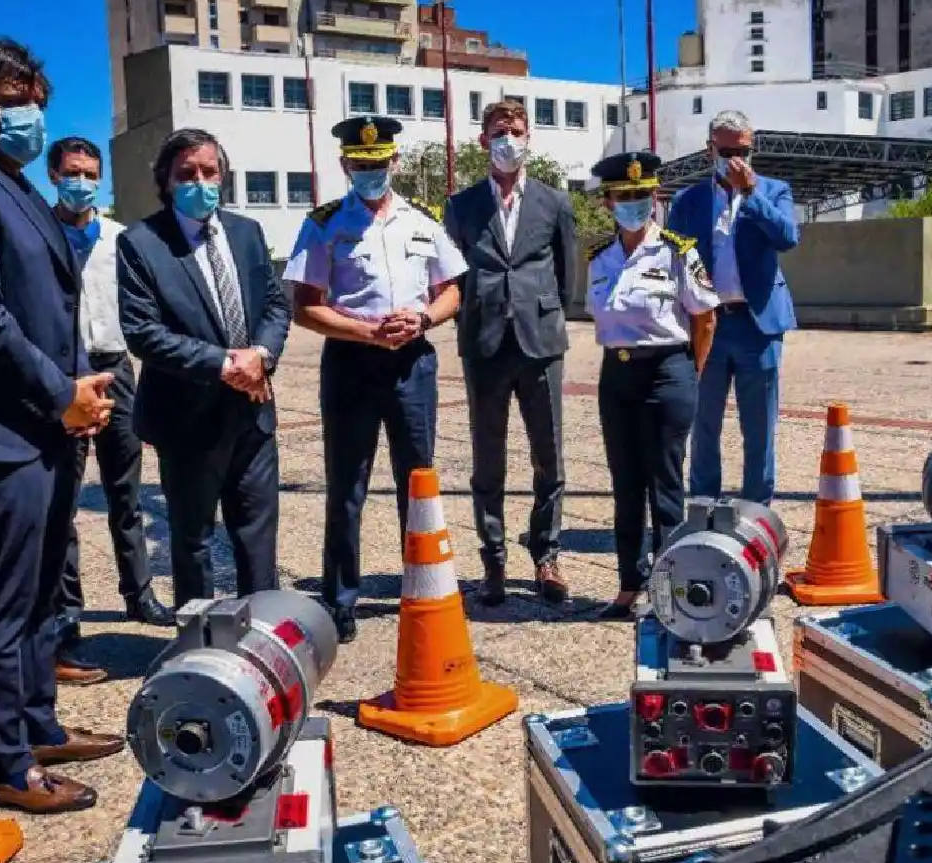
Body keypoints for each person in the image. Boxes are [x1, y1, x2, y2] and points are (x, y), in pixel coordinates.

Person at [0, 37, 124, 814]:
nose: (30, 116)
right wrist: (60, 394)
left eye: (37, 102)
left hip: (48, 423)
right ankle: (8, 766)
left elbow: (48, 307)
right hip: (1, 432)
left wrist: (76, 387)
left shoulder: (11, 181)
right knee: (5, 603)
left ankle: (38, 723)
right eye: (14, 102)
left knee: (45, 593)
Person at [283, 115, 465, 643]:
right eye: (361, 164)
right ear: (345, 165)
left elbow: (451, 290)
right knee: (347, 488)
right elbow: (306, 308)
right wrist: (366, 333)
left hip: (412, 365)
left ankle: (424, 588)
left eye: (379, 163)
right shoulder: (323, 224)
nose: (371, 171)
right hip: (351, 366)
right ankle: (340, 601)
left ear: (395, 162)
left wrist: (424, 319)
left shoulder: (422, 220)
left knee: (418, 485)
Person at [117, 128, 290, 609]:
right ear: (166, 182)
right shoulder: (141, 243)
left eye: (209, 171)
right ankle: (199, 642)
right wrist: (225, 363)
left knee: (257, 537)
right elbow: (143, 332)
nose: (200, 181)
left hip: (253, 414)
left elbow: (275, 306)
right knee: (193, 542)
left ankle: (260, 636)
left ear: (223, 176)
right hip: (187, 420)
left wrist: (262, 355)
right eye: (186, 173)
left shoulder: (247, 232)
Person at [47, 136, 174, 687]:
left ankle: (138, 594)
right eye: (72, 172)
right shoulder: (40, 233)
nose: (82, 182)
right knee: (63, 502)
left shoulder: (120, 239)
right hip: (64, 377)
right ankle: (66, 615)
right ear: (53, 174)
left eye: (90, 173)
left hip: (116, 368)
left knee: (126, 492)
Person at [443, 99, 577, 607]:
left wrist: (541, 314)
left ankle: (546, 554)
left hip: (540, 343)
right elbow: (451, 276)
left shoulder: (553, 203)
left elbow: (567, 279)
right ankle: (493, 558)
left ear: (529, 139)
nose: (508, 139)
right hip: (484, 345)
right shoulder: (462, 206)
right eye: (500, 131)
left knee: (549, 456)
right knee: (488, 458)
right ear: (483, 140)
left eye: (517, 131)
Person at [585, 152, 719, 619]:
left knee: (664, 486)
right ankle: (627, 585)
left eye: (643, 196)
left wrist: (688, 373)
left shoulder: (679, 251)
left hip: (668, 371)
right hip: (617, 375)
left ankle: (669, 589)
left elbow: (705, 320)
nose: (634, 204)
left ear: (655, 198)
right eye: (625, 197)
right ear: (608, 202)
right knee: (625, 484)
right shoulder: (599, 258)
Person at [667, 110, 799, 506]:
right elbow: (674, 261)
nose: (737, 158)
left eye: (744, 150)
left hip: (757, 325)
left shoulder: (773, 191)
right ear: (711, 150)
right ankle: (704, 507)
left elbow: (787, 237)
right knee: (703, 425)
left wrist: (751, 195)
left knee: (759, 429)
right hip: (708, 325)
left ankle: (757, 512)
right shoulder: (688, 200)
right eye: (727, 150)